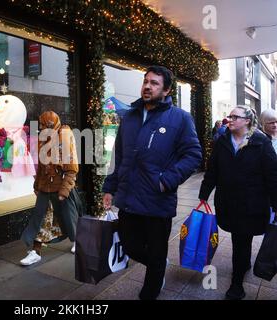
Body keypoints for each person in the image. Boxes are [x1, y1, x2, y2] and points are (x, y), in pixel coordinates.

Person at [102, 65, 202, 300]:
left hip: (158, 199)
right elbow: (119, 154)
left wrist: (166, 181)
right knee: (129, 246)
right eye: (146, 81)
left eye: (154, 83)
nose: (147, 86)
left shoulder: (180, 118)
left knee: (156, 252)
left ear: (166, 90)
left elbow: (193, 155)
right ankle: (158, 266)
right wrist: (110, 187)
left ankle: (151, 287)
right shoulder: (130, 116)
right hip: (128, 197)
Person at [199, 105, 277, 300]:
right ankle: (243, 265)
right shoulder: (222, 140)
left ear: (247, 121)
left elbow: (272, 176)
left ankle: (236, 284)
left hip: (252, 204)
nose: (230, 119)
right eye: (229, 116)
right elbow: (213, 171)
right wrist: (204, 194)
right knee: (241, 239)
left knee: (240, 240)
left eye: (235, 116)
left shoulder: (260, 142)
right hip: (227, 201)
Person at [20, 111, 79, 265]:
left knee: (68, 219)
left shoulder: (65, 136)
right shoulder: (43, 139)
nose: (41, 128)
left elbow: (72, 168)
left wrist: (64, 190)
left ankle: (77, 241)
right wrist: (37, 185)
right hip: (46, 188)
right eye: (41, 125)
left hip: (61, 188)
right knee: (39, 219)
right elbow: (41, 167)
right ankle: (35, 251)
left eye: (44, 125)